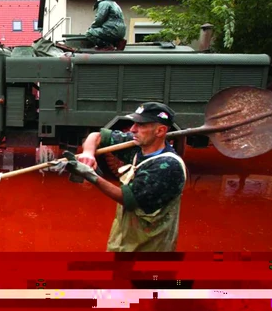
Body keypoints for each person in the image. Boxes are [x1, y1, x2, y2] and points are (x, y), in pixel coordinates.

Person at [53, 102, 187, 252]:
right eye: (134, 123)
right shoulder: (138, 146)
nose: (132, 129)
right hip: (125, 241)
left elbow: (127, 199)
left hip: (150, 248)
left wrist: (90, 175)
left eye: (141, 125)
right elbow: (96, 136)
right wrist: (88, 153)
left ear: (160, 131)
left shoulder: (168, 166)